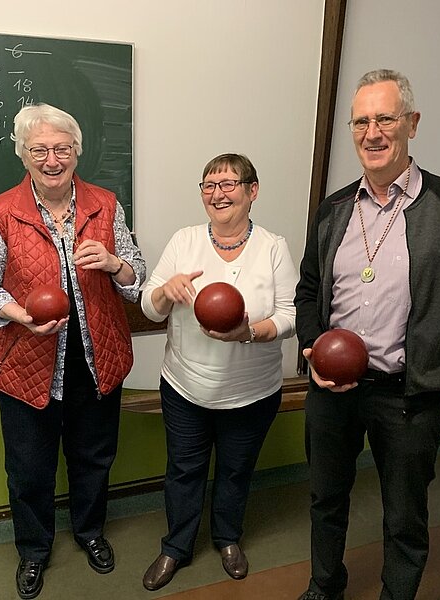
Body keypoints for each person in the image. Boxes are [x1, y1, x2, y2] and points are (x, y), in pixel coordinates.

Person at [294, 70, 440, 600]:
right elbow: (309, 290)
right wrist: (313, 349)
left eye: (385, 118)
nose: (372, 133)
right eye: (361, 122)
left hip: (409, 395)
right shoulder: (333, 209)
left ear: (411, 123)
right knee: (325, 500)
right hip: (332, 391)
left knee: (405, 514)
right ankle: (324, 586)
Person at [0, 103, 145, 599]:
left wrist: (114, 263)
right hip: (27, 362)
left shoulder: (106, 205)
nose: (51, 160)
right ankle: (33, 550)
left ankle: (90, 532)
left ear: (77, 152)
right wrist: (22, 315)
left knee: (94, 457)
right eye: (39, 150)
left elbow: (136, 280)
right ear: (23, 154)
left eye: (62, 149)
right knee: (29, 468)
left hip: (95, 358)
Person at [140, 153, 297, 591]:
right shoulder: (184, 241)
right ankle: (176, 546)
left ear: (252, 190)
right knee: (183, 470)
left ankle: (227, 538)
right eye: (209, 185)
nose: (217, 193)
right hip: (185, 387)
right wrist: (165, 292)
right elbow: (150, 307)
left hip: (252, 393)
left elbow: (290, 316)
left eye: (228, 184)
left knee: (235, 470)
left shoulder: (273, 247)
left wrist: (250, 332)